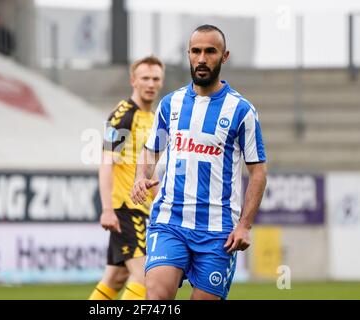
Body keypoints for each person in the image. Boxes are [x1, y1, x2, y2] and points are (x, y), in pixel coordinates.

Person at [131, 24, 267, 300]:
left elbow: (258, 172)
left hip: (218, 232)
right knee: (156, 297)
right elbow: (150, 151)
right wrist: (140, 177)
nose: (202, 59)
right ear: (188, 54)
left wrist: (245, 225)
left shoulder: (242, 111)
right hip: (170, 220)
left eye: (210, 51)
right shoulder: (171, 104)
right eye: (196, 51)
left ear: (224, 56)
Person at [89, 56, 164, 300]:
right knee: (145, 278)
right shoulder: (123, 116)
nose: (150, 83)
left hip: (142, 209)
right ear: (133, 80)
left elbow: (151, 171)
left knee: (116, 278)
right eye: (145, 78)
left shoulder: (156, 121)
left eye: (155, 78)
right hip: (124, 209)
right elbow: (106, 163)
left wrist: (159, 206)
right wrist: (107, 210)